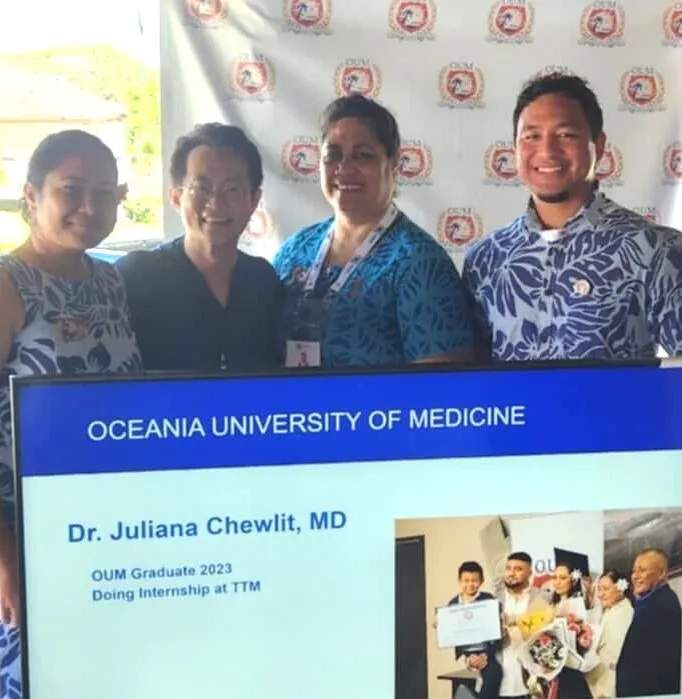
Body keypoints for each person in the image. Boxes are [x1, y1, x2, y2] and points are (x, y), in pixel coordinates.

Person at [0, 129, 142, 698]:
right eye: (71, 189)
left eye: (105, 192)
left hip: (106, 527)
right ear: (31, 194)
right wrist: (4, 554)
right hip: (23, 530)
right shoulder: (9, 283)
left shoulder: (110, 280)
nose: (89, 206)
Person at [462, 72, 682, 361]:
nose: (547, 151)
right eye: (531, 136)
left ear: (598, 145)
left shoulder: (655, 250)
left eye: (566, 135)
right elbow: (469, 378)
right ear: (515, 149)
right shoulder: (486, 259)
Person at [273, 94, 473, 367]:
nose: (345, 168)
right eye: (333, 155)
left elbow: (440, 386)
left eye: (362, 155)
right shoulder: (295, 251)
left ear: (393, 163)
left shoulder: (420, 263)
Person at [117, 123, 284, 372]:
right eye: (201, 188)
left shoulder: (263, 281)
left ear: (253, 200)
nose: (216, 203)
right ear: (176, 198)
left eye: (231, 189)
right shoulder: (135, 276)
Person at [616, 548, 682, 697]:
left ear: (661, 573)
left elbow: (652, 666)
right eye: (634, 571)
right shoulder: (650, 602)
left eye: (642, 570)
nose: (635, 576)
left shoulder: (662, 606)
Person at [437, 561, 503, 699]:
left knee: (494, 674)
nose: (470, 584)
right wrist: (440, 623)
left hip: (488, 651)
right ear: (459, 581)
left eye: (474, 580)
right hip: (468, 652)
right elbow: (450, 630)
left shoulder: (488, 599)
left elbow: (497, 626)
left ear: (481, 581)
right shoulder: (453, 604)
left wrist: (485, 654)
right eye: (466, 580)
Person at [586, 569, 633, 698]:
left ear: (620, 588)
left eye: (605, 589)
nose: (601, 594)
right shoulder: (610, 609)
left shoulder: (625, 613)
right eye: (599, 589)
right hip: (601, 675)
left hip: (610, 679)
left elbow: (614, 654)